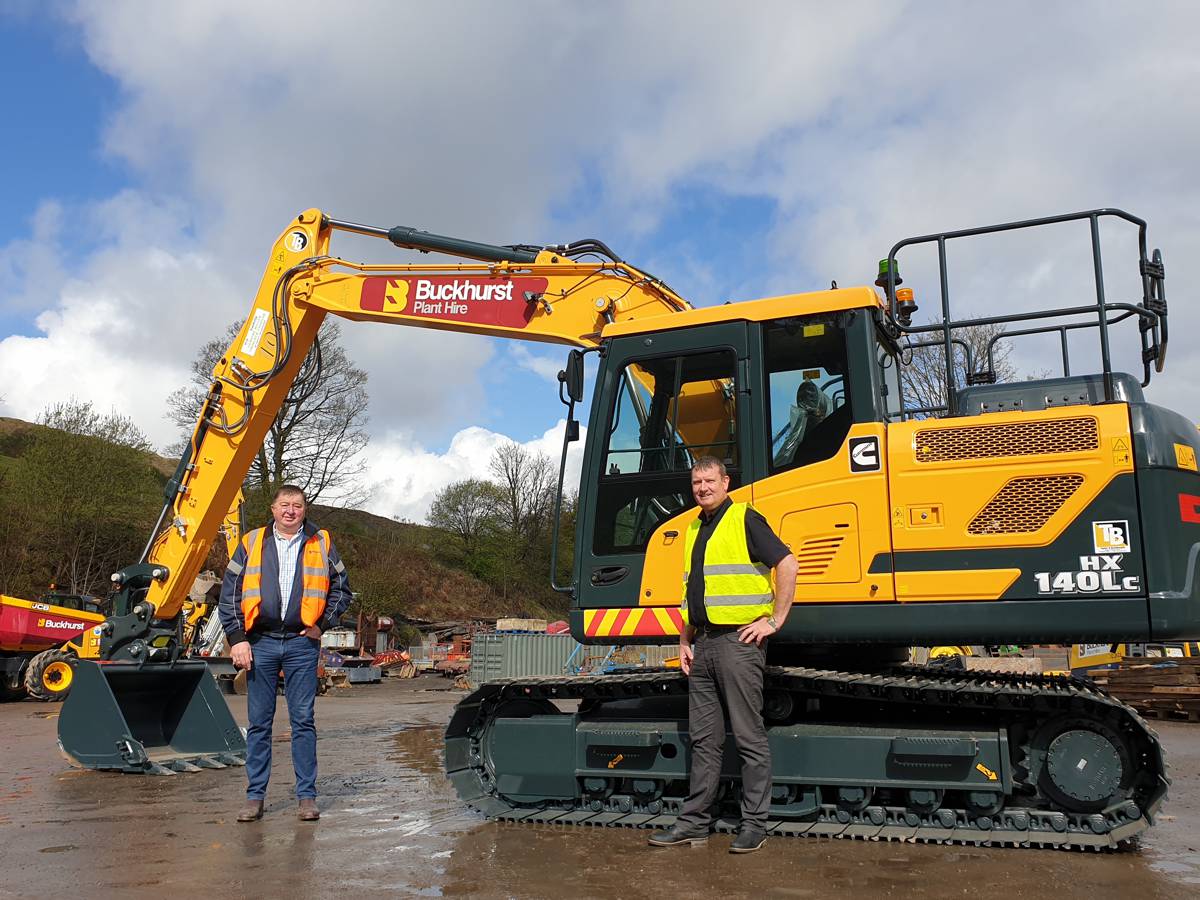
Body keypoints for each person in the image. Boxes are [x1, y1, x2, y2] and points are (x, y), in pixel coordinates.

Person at [648, 456, 798, 854]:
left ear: (725, 482)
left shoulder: (745, 518)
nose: (702, 488)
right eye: (696, 482)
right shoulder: (694, 527)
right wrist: (684, 640)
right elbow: (692, 593)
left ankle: (754, 825)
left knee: (749, 737)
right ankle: (694, 823)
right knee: (704, 740)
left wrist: (774, 620)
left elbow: (787, 562)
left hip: (739, 644)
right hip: (704, 645)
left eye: (709, 481)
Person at [218, 485, 352, 823]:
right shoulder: (251, 542)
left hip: (301, 644)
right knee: (259, 724)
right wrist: (238, 639)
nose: (290, 511)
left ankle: (306, 797)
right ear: (273, 508)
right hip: (259, 642)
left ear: (304, 509)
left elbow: (342, 589)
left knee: (303, 722)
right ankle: (255, 797)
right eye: (284, 505)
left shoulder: (320, 543)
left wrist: (323, 624)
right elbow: (230, 593)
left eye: (297, 505)